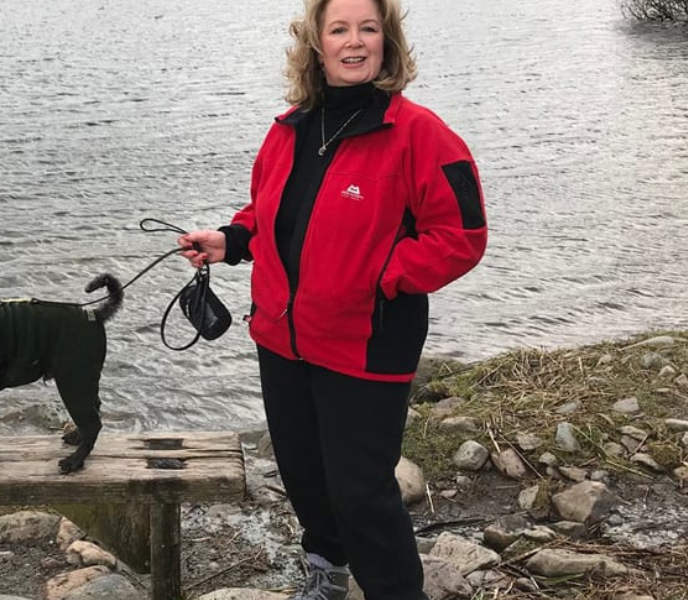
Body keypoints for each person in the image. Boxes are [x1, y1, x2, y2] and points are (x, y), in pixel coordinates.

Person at [178, 0, 487, 598]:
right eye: (339, 29)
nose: (355, 41)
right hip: (282, 338)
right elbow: (268, 210)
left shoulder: (422, 135)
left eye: (368, 29)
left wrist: (381, 275)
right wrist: (231, 240)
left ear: (386, 42)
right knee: (303, 475)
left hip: (367, 343)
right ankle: (326, 570)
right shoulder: (289, 128)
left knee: (361, 491)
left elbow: (462, 237)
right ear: (317, 46)